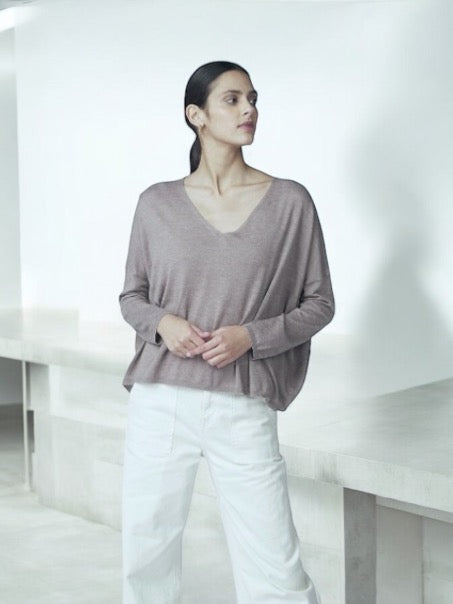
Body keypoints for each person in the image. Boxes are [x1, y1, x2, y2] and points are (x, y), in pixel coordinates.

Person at [118, 60, 334, 604]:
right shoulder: (156, 203)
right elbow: (132, 298)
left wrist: (252, 336)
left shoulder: (290, 202)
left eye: (252, 99)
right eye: (232, 100)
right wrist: (163, 323)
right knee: (146, 554)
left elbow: (319, 304)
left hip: (242, 401)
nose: (249, 110)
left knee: (275, 567)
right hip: (161, 399)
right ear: (196, 115)